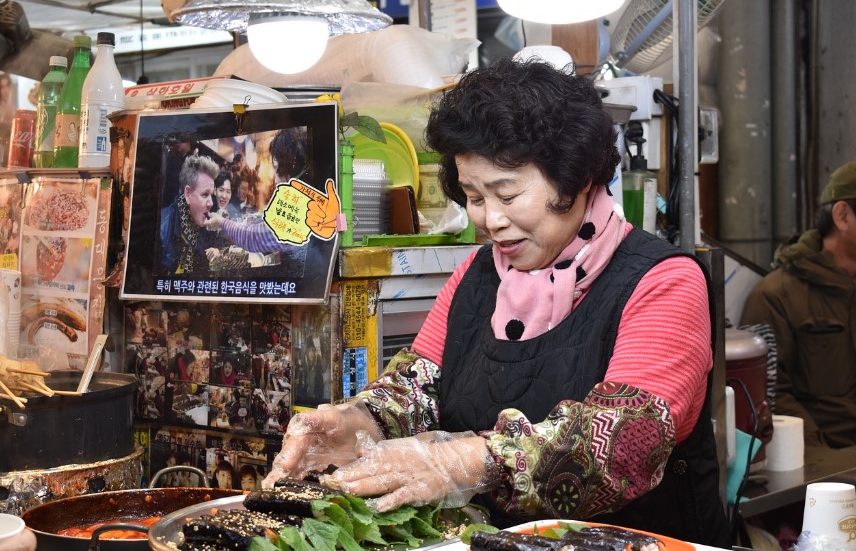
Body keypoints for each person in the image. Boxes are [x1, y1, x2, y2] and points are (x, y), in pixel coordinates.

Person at [263, 58, 729, 547]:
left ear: (575, 179)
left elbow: (618, 448)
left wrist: (458, 462)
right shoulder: (477, 274)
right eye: (473, 195)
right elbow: (417, 390)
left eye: (507, 193)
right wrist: (357, 423)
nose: (490, 219)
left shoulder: (664, 282)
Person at [741, 161, 856, 449]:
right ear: (842, 216)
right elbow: (768, 392)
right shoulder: (777, 294)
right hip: (825, 459)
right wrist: (824, 461)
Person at [159, 153, 219, 275]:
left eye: (212, 195)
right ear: (187, 193)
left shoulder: (205, 222)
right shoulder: (162, 227)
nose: (211, 203)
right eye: (204, 194)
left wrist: (216, 251)